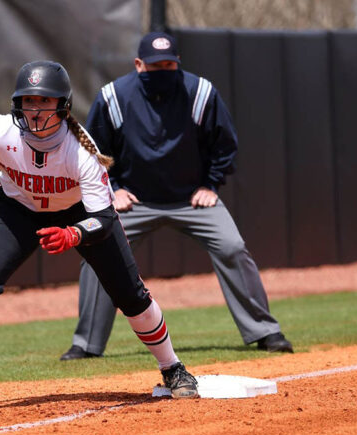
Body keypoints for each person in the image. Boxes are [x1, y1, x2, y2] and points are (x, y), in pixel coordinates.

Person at [0, 60, 199, 413]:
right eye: (28, 101)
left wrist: (72, 234)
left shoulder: (81, 149)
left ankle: (173, 368)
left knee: (130, 296)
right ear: (17, 104)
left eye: (44, 101)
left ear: (63, 106)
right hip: (17, 208)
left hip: (80, 214)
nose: (35, 111)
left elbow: (102, 216)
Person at [60, 32, 293, 361]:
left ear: (178, 63)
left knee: (232, 246)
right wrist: (113, 188)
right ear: (139, 65)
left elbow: (224, 145)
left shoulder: (199, 91)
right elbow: (92, 151)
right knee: (98, 251)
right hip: (134, 200)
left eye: (170, 64)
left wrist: (210, 185)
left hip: (191, 198)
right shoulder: (113, 96)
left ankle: (265, 331)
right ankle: (86, 344)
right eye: (155, 66)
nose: (163, 71)